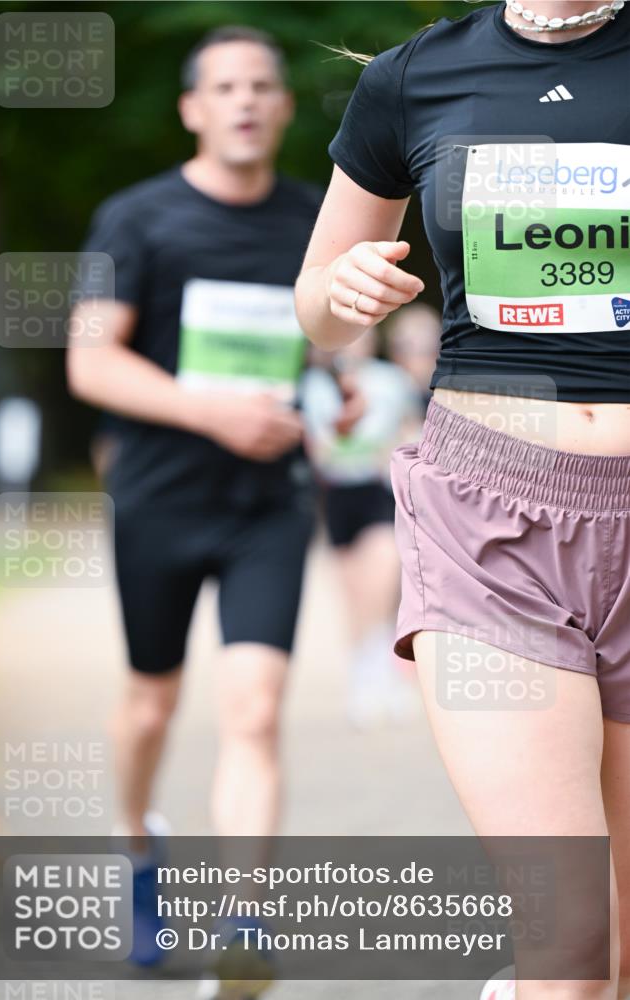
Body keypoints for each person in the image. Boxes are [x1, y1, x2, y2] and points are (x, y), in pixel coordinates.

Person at [295, 1, 630, 997]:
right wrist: (341, 287)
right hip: (489, 519)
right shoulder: (410, 78)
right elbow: (313, 302)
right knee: (568, 942)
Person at [67, 26, 361, 989]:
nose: (244, 100)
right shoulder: (132, 218)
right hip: (158, 498)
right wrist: (213, 414)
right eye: (223, 86)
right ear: (192, 108)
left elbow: (323, 342)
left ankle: (244, 923)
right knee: (151, 706)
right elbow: (90, 359)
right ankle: (140, 851)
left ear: (284, 107)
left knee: (254, 706)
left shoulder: (314, 219)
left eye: (262, 86)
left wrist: (337, 384)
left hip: (266, 505)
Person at [300, 329, 422, 724]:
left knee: (384, 577)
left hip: (378, 491)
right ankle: (364, 676)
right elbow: (312, 442)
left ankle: (383, 668)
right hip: (337, 495)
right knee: (354, 593)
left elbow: (412, 426)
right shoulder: (313, 385)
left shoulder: (391, 380)